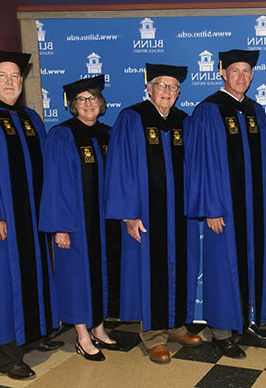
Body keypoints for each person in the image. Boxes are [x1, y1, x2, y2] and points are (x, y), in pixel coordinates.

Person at [105, 63, 201, 364]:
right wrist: (129, 215)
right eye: (162, 85)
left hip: (179, 214)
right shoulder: (132, 118)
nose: (167, 91)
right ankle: (153, 336)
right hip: (147, 214)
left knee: (179, 267)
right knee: (152, 272)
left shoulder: (183, 121)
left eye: (173, 87)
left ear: (179, 91)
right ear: (149, 88)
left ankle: (175, 325)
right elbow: (120, 168)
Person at [184, 49, 266, 359]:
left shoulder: (255, 110)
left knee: (253, 260)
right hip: (223, 209)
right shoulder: (208, 110)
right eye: (234, 71)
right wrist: (211, 208)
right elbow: (199, 164)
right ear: (222, 73)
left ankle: (247, 320)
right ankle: (221, 331)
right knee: (223, 266)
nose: (241, 77)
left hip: (254, 210)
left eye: (247, 71)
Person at [39, 75, 123, 362]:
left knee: (100, 274)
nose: (88, 104)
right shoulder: (62, 135)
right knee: (77, 278)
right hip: (75, 224)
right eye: (81, 100)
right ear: (72, 105)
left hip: (104, 225)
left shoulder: (108, 135)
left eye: (93, 98)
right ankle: (82, 335)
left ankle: (98, 328)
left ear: (101, 103)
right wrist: (59, 228)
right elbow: (53, 185)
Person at [0, 50, 62, 381]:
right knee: (5, 285)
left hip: (32, 218)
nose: (11, 83)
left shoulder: (30, 119)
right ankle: (7, 355)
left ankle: (33, 335)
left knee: (35, 273)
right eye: (3, 76)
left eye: (15, 77)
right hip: (6, 219)